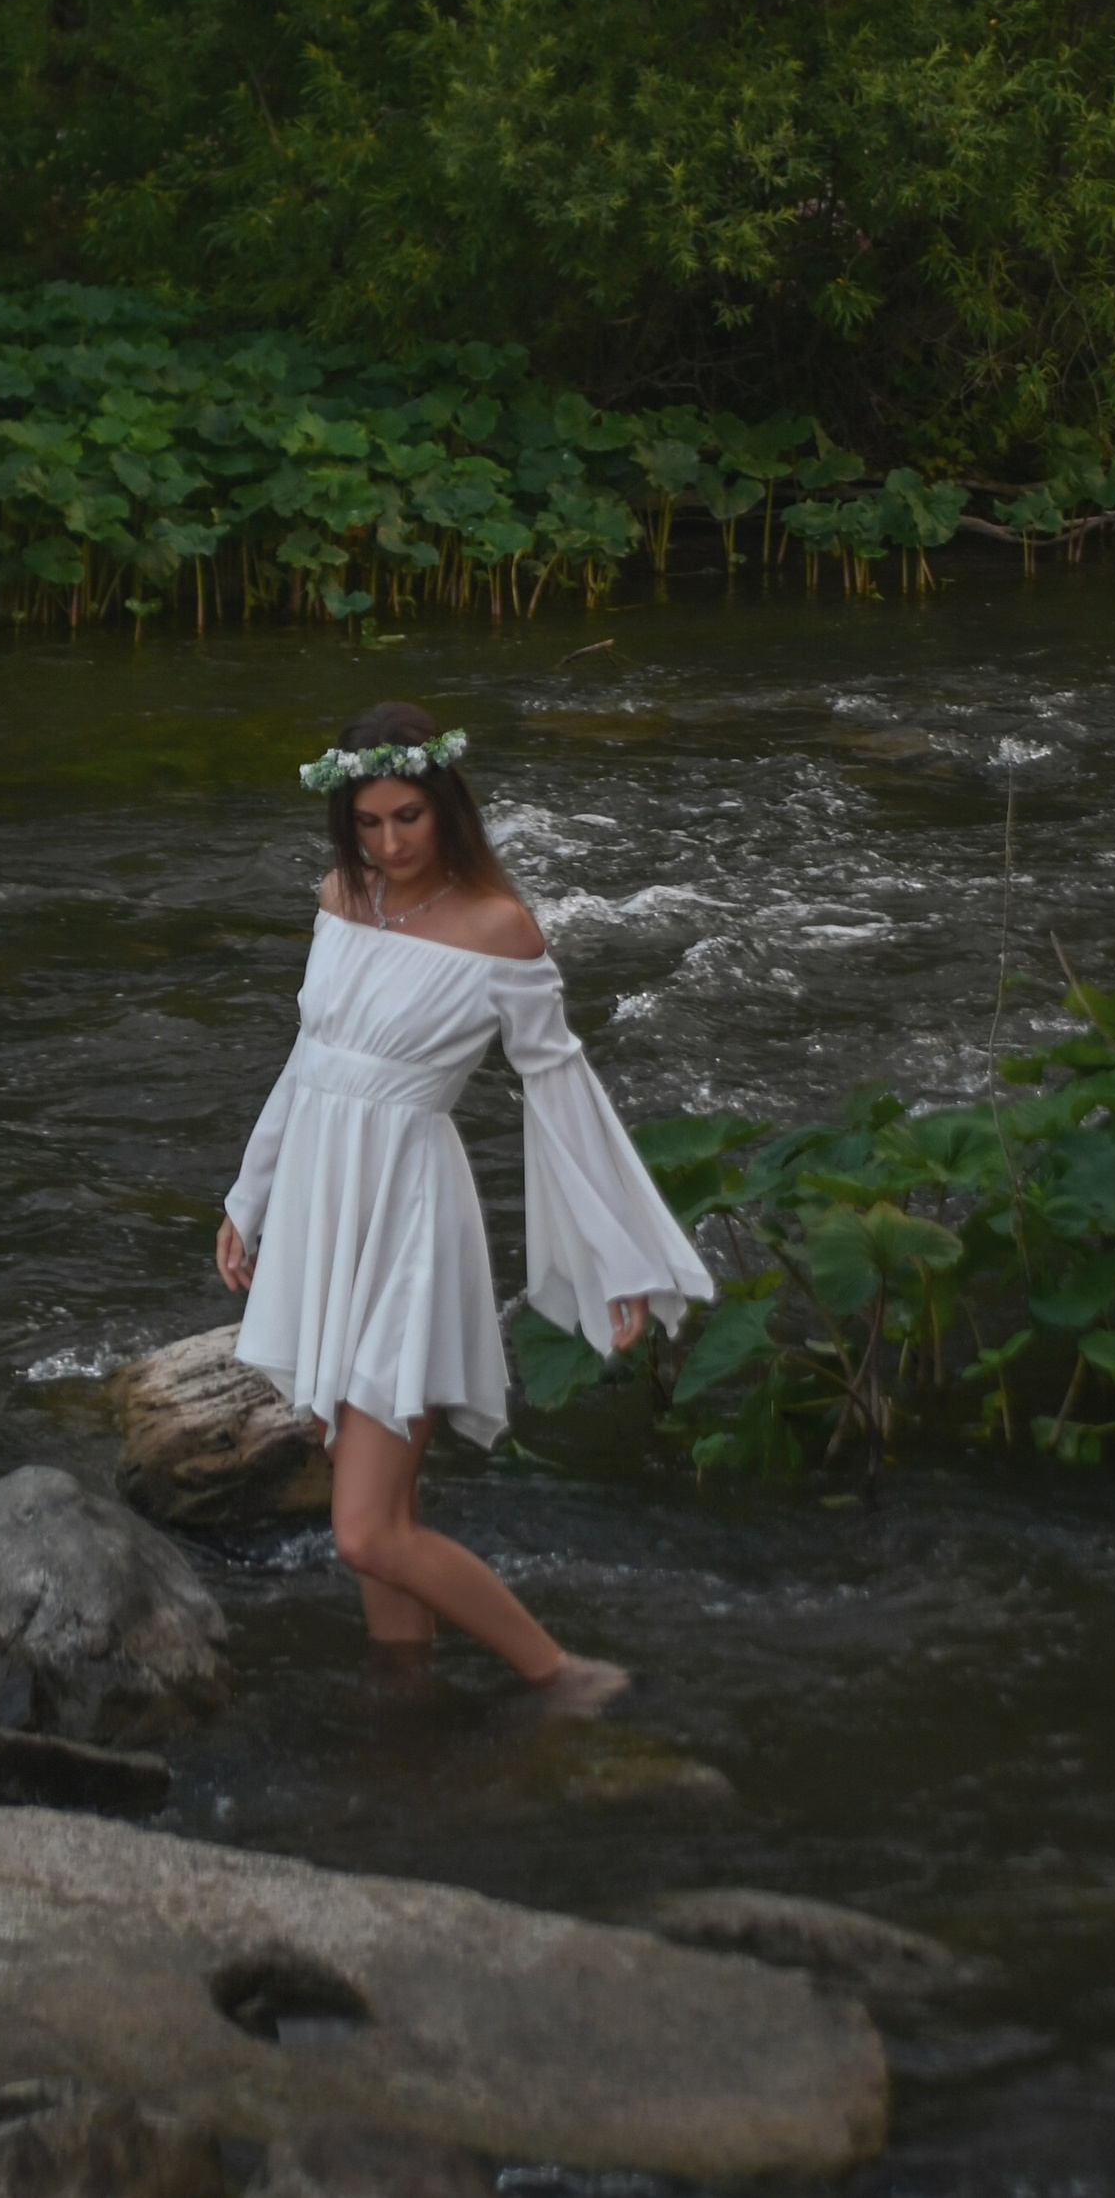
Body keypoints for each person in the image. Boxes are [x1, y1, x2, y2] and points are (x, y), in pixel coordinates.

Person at [217, 702, 711, 1706]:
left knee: (364, 1529)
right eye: (367, 822)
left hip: (408, 1221)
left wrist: (618, 1259)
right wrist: (247, 1198)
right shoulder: (340, 898)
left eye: (407, 817)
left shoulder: (499, 929)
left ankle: (560, 1674)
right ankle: (407, 1702)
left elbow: (562, 1097)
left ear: (446, 805)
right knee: (381, 1517)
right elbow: (308, 1062)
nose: (389, 843)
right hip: (323, 1209)